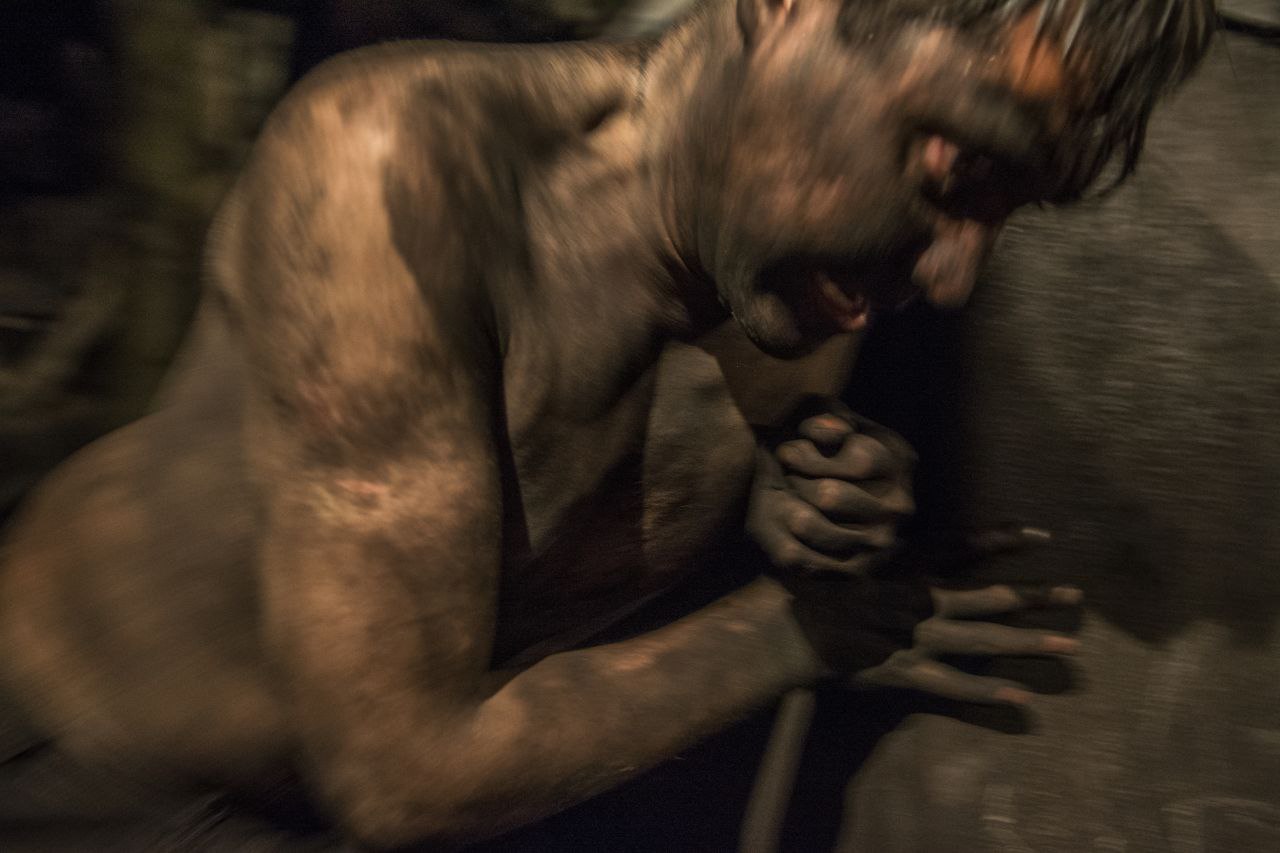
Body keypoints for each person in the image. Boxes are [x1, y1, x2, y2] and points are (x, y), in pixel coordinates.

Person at [0, 0, 1213, 848]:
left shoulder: (802, 253)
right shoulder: (399, 168)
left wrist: (801, 498)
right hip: (79, 774)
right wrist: (802, 628)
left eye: (1005, 211)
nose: (954, 275)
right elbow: (405, 775)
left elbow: (563, 475)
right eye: (954, 170)